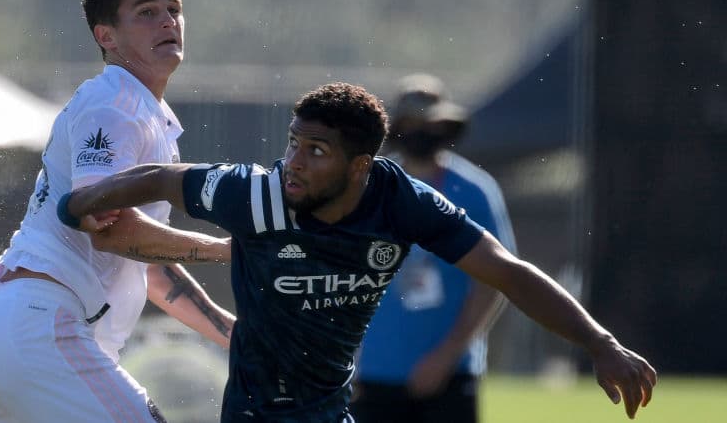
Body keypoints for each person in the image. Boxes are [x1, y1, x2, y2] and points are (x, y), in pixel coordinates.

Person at [59, 82, 657, 423]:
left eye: (316, 150)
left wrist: (600, 343)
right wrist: (82, 201)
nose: (294, 160)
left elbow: (504, 271)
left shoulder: (401, 203)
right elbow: (166, 176)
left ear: (360, 166)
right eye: (293, 143)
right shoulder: (259, 194)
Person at [0, 0, 235, 423]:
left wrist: (233, 333)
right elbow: (112, 230)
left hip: (1, 332)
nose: (168, 21)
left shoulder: (141, 111)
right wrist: (229, 250)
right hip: (38, 329)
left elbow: (149, 266)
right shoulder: (116, 104)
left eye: (174, 9)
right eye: (147, 12)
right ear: (107, 36)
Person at [351, 74, 517, 423]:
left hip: (449, 374)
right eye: (413, 125)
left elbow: (495, 280)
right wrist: (345, 360)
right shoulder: (370, 187)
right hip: (374, 374)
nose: (422, 134)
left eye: (429, 124)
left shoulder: (474, 190)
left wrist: (448, 354)